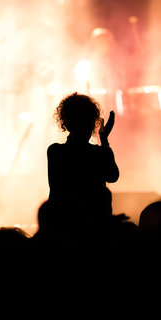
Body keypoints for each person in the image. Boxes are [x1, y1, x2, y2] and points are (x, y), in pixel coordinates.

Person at [47, 93, 119, 238]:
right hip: (96, 231)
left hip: (63, 230)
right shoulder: (100, 153)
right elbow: (112, 176)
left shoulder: (55, 151)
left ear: (65, 124)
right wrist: (104, 141)